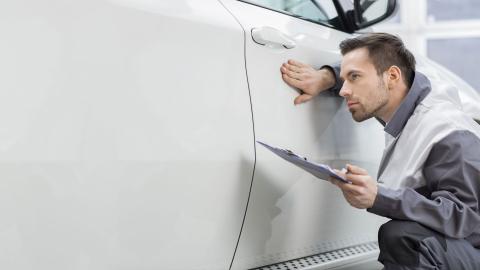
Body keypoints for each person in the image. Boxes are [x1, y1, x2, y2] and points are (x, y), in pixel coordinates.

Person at [280, 32, 480, 270]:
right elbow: (395, 61)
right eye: (344, 80)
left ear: (392, 76)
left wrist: (379, 197)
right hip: (461, 247)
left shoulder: (447, 133)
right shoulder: (407, 99)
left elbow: (463, 217)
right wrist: (326, 77)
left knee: (403, 237)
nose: (344, 90)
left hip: (473, 246)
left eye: (354, 78)